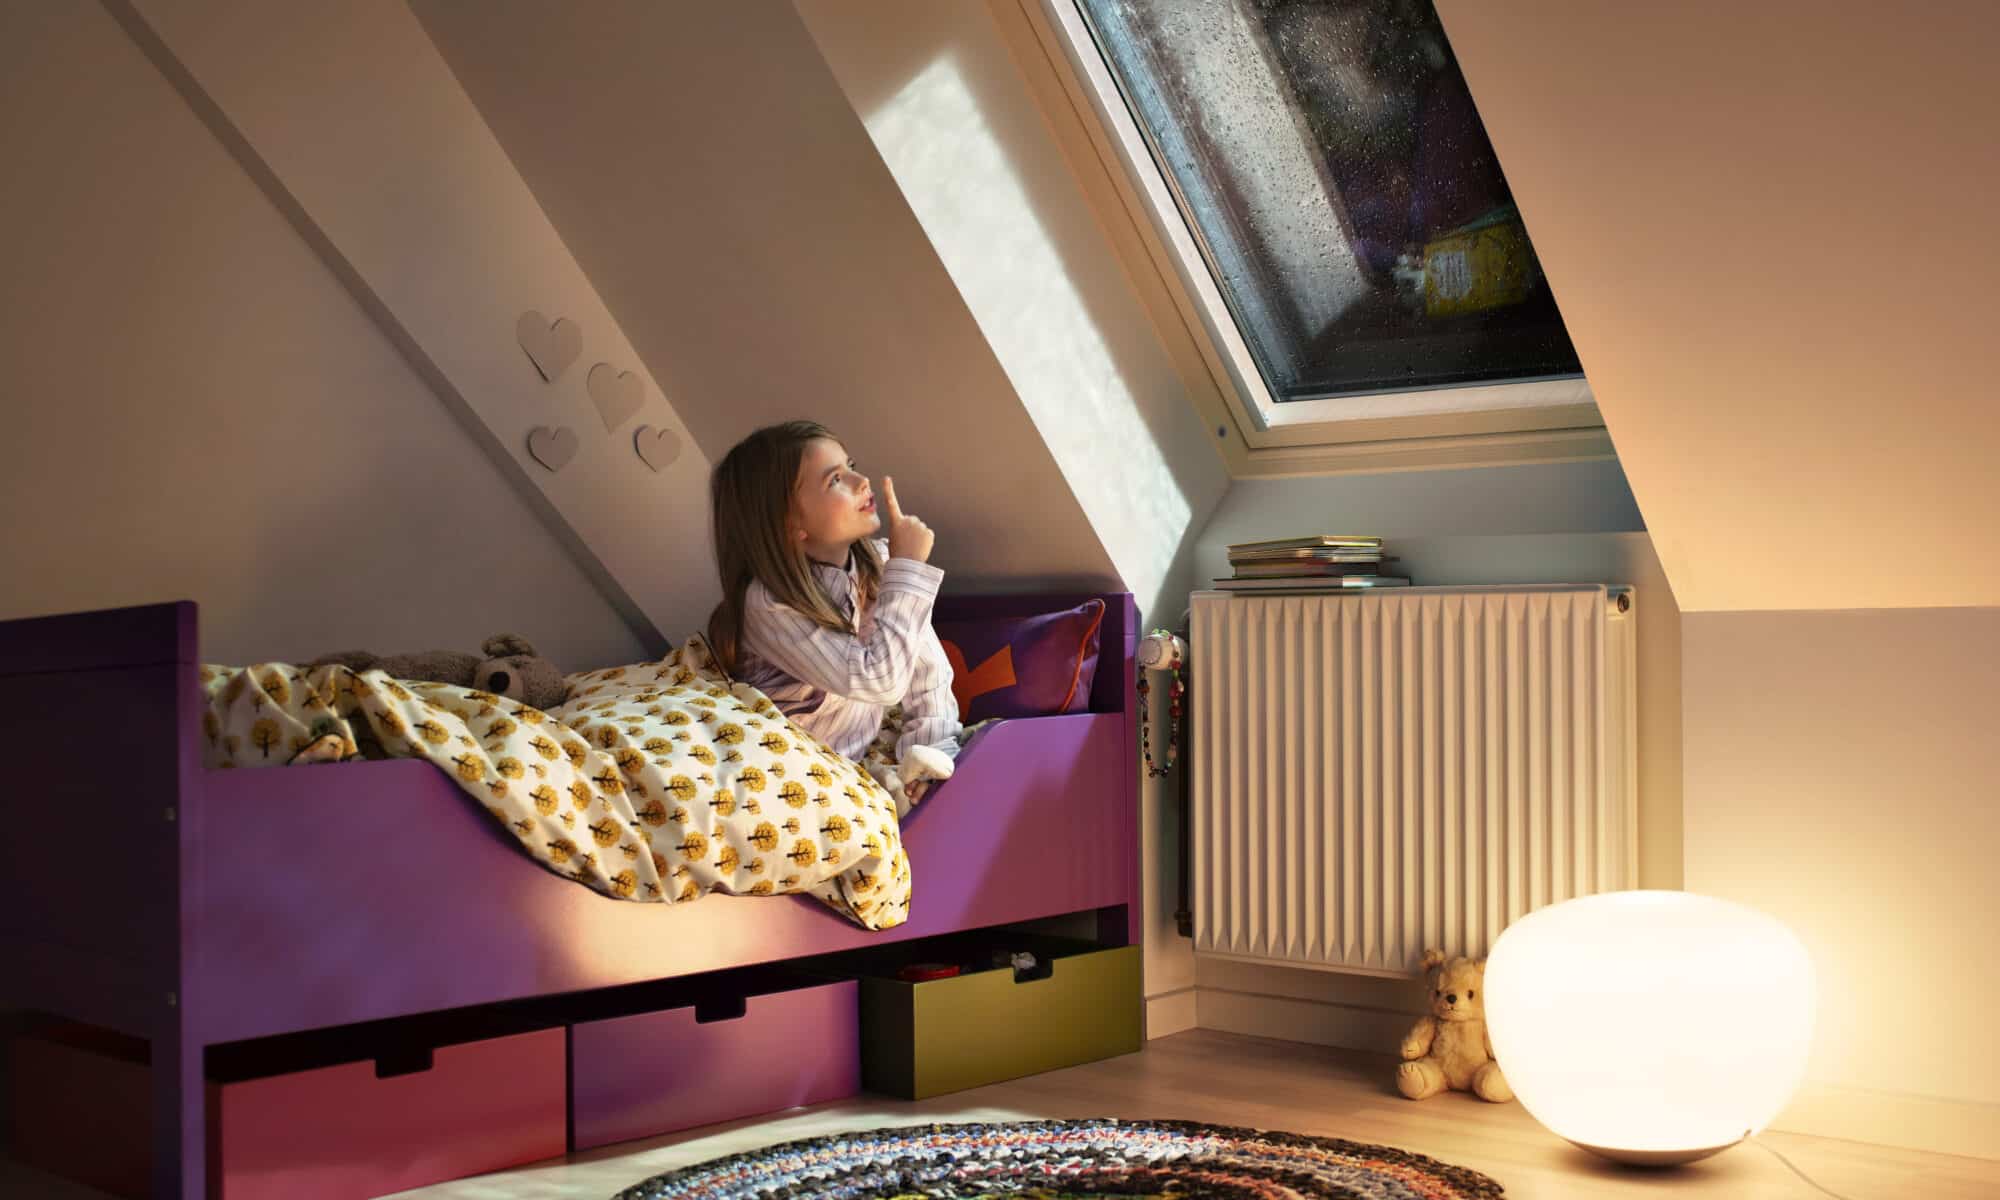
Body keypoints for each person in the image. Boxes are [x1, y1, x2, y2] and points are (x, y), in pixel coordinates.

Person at [706, 420, 960, 814]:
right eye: (835, 480)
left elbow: (928, 676)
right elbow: (880, 681)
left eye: (852, 465)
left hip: (848, 759)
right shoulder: (768, 604)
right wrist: (908, 571)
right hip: (789, 776)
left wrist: (931, 758)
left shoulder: (875, 563)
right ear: (791, 526)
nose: (862, 481)